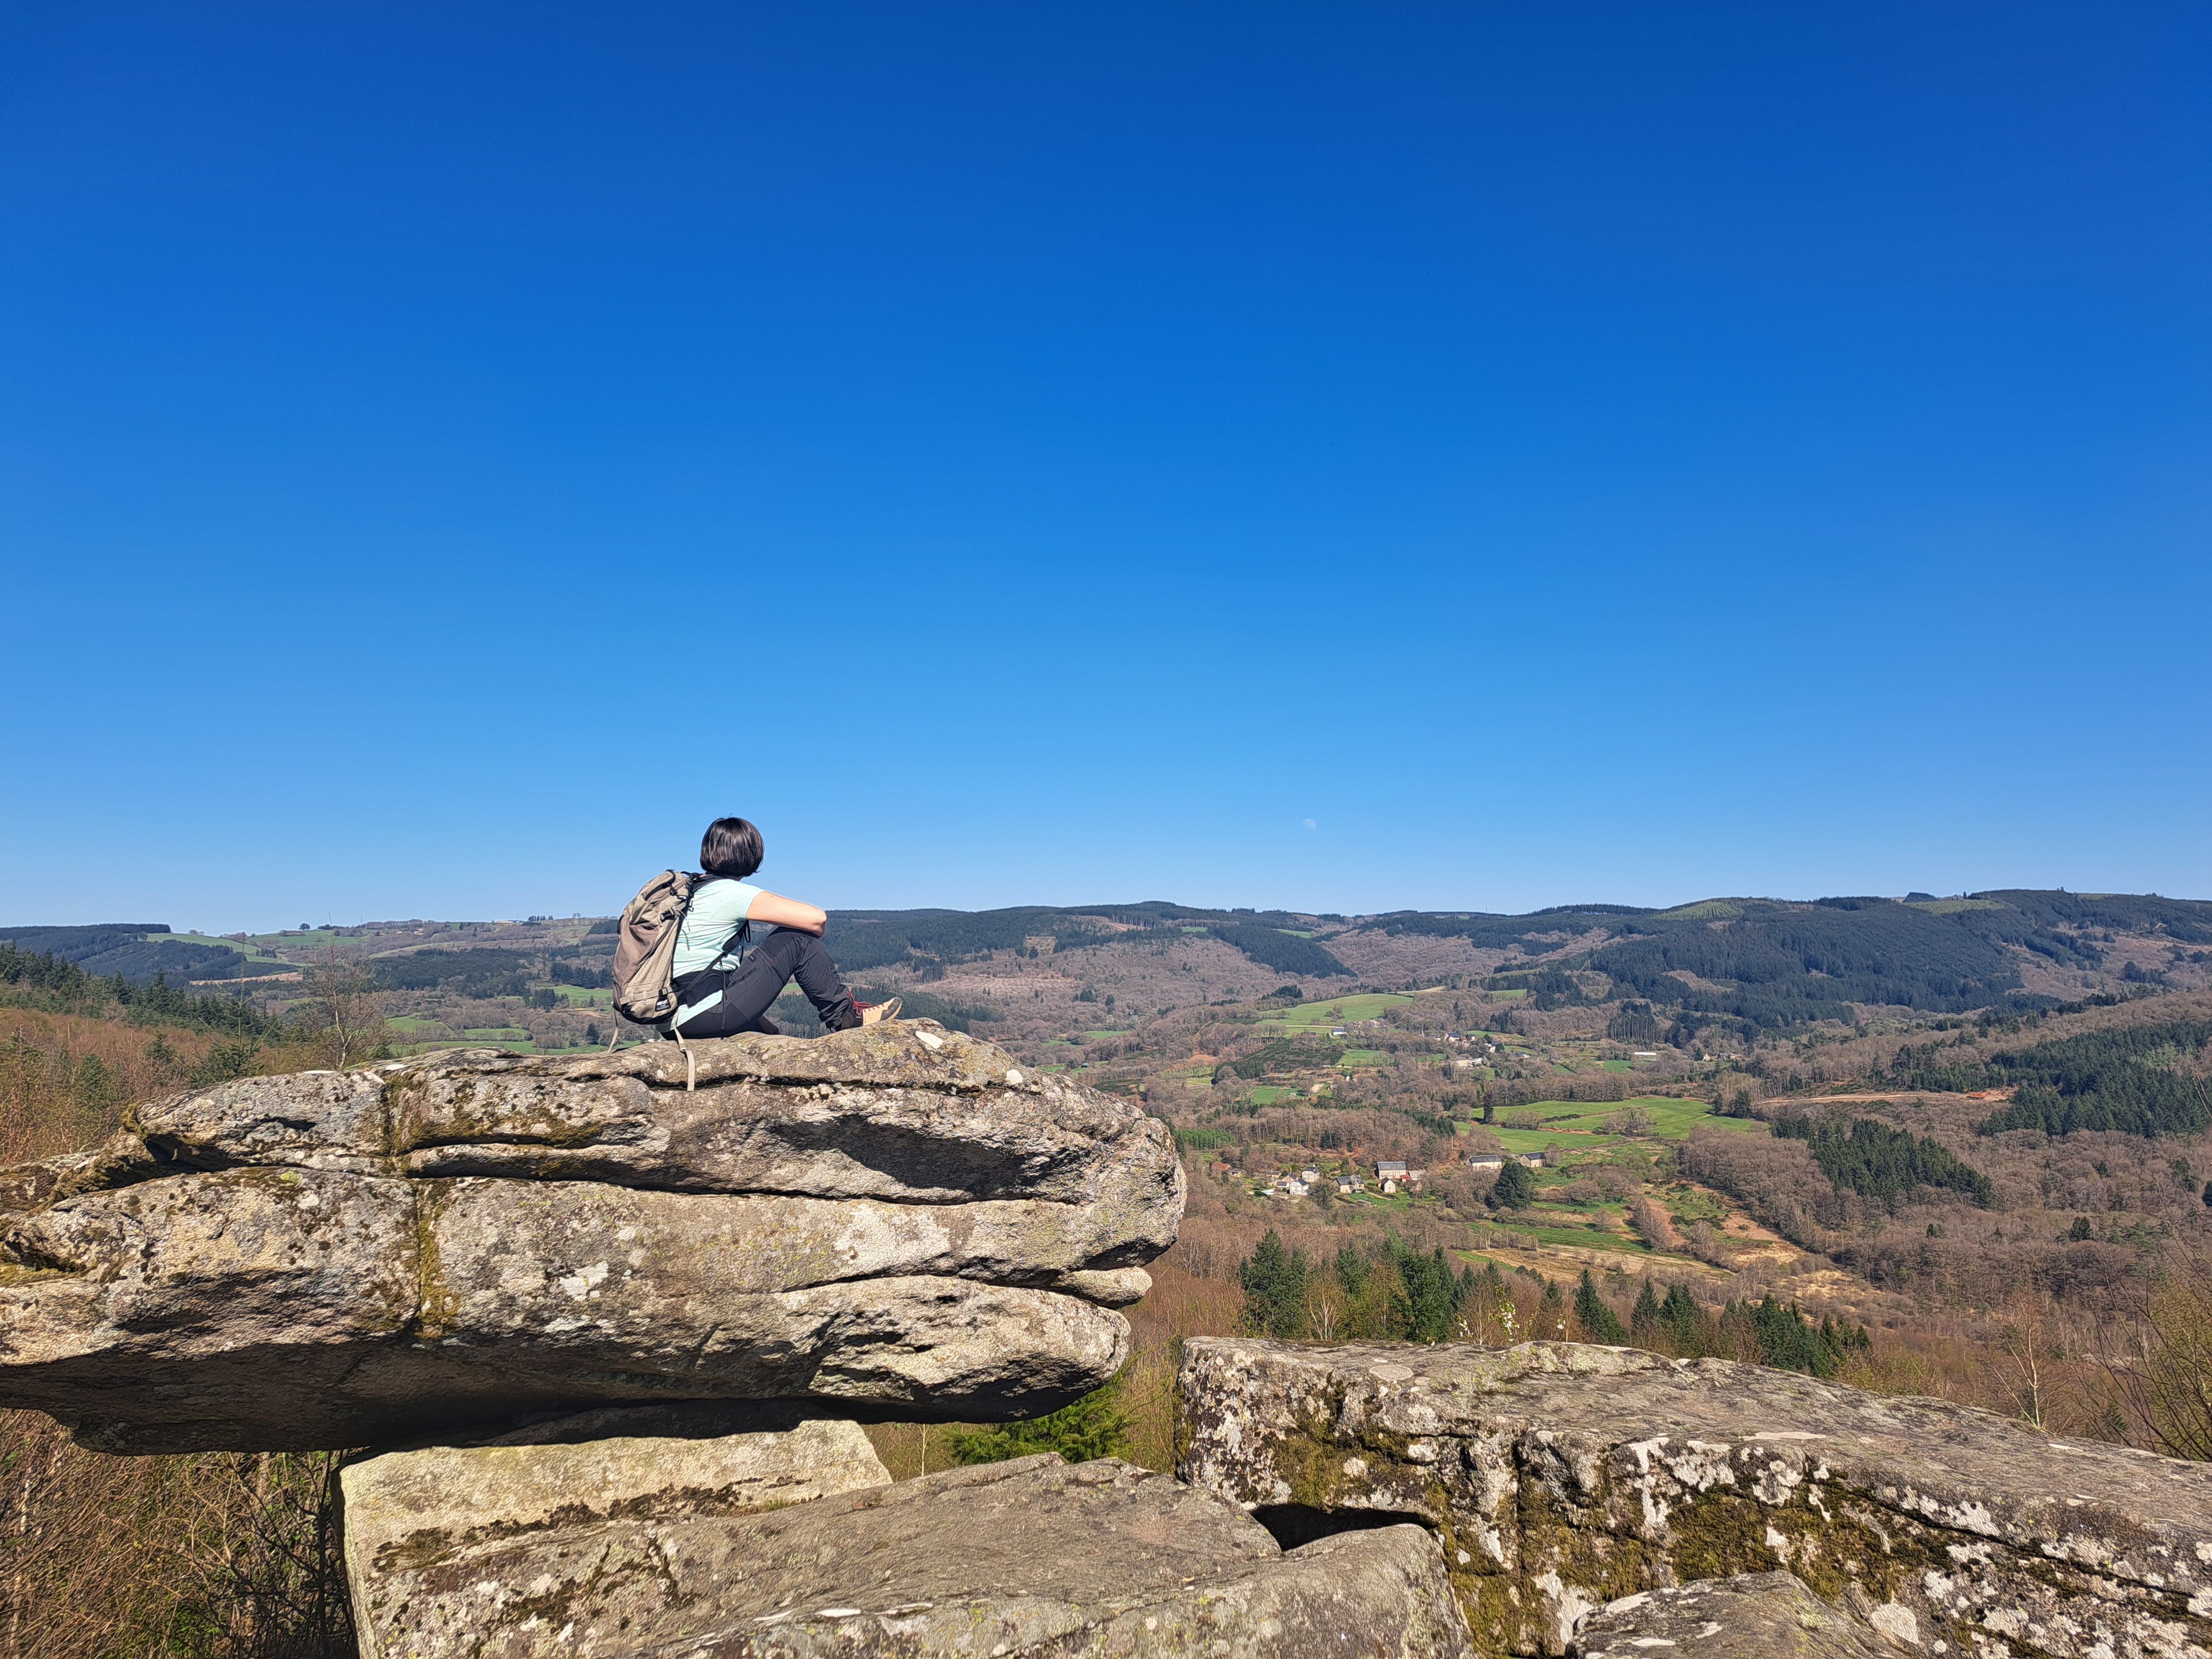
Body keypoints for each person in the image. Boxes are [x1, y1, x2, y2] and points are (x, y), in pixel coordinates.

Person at [666, 817, 898, 1038]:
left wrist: (761, 1024)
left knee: (770, 1032)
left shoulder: (690, 892)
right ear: (752, 856)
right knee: (798, 938)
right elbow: (817, 919)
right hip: (703, 1013)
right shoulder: (728, 892)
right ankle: (845, 1016)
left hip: (673, 1016)